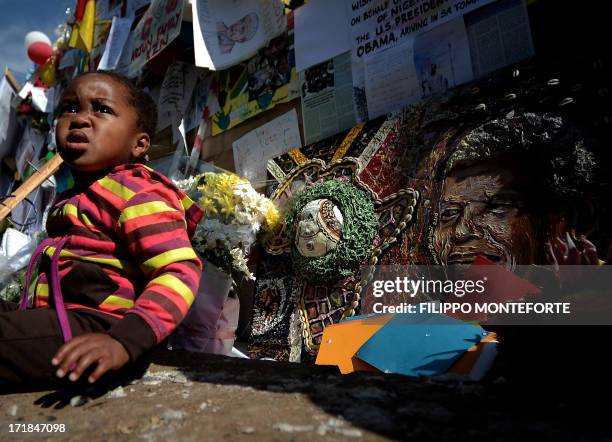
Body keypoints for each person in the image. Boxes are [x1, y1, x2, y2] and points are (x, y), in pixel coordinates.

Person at [0, 71, 203, 389]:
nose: (80, 119)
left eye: (102, 109)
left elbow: (178, 271)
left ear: (140, 144)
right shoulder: (76, 195)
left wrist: (123, 342)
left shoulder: (139, 190)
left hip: (99, 331)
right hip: (56, 318)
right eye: (69, 108)